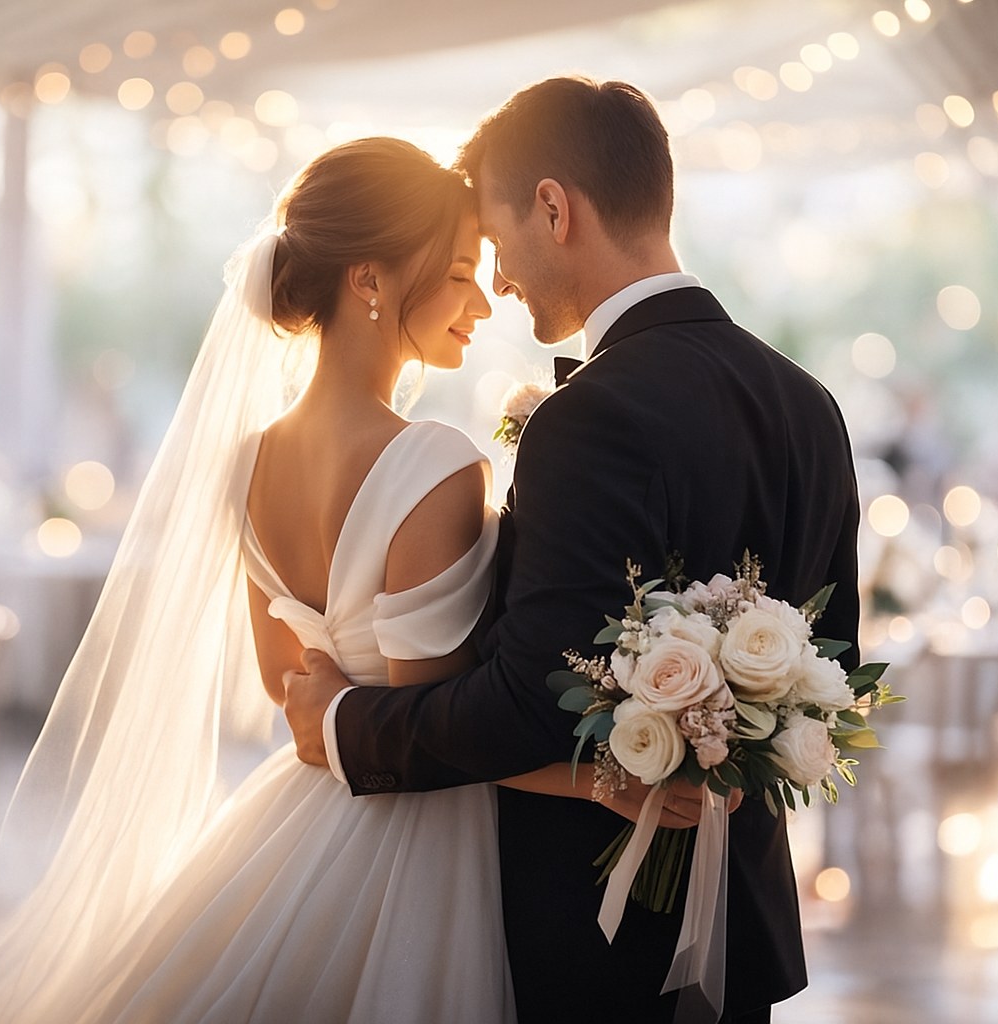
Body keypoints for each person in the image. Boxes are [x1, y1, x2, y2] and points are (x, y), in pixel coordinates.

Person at [0, 136, 598, 1023]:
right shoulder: (435, 465)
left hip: (300, 812)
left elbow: (288, 693)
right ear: (369, 279)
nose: (484, 303)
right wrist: (600, 780)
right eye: (460, 273)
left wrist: (332, 702)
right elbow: (432, 742)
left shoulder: (247, 460)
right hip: (408, 854)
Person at [284, 77, 862, 1023]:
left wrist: (343, 725)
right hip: (742, 932)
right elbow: (830, 668)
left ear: (554, 208)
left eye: (499, 243)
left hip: (594, 937)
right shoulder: (810, 404)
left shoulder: (586, 418)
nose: (500, 281)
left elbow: (532, 702)